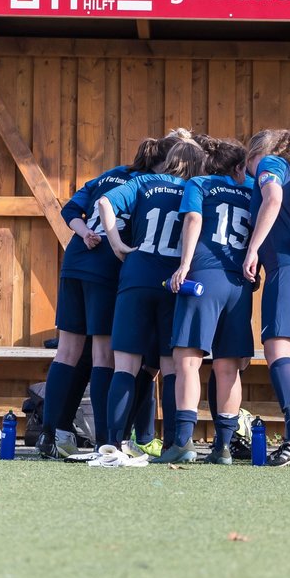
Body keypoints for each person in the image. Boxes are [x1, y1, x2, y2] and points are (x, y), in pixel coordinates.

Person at [36, 141, 150, 458]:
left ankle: (51, 435)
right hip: (105, 268)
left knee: (67, 352)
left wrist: (85, 231)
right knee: (103, 356)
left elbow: (70, 210)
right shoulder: (148, 186)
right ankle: (105, 442)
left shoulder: (110, 175)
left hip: (74, 262)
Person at [96, 136, 205, 453]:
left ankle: (111, 443)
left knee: (125, 367)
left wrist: (116, 243)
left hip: (137, 278)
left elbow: (104, 202)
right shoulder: (194, 190)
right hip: (174, 283)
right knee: (171, 366)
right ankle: (173, 442)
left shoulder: (145, 181)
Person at [162, 139, 256, 465]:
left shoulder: (199, 183)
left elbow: (193, 220)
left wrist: (185, 265)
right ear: (238, 167)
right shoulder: (253, 190)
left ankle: (183, 442)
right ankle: (224, 447)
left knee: (187, 360)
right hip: (240, 281)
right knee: (228, 365)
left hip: (205, 274)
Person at [240, 128, 290, 466]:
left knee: (277, 350)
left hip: (285, 266)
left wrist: (253, 249)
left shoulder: (270, 163)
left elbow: (271, 199)